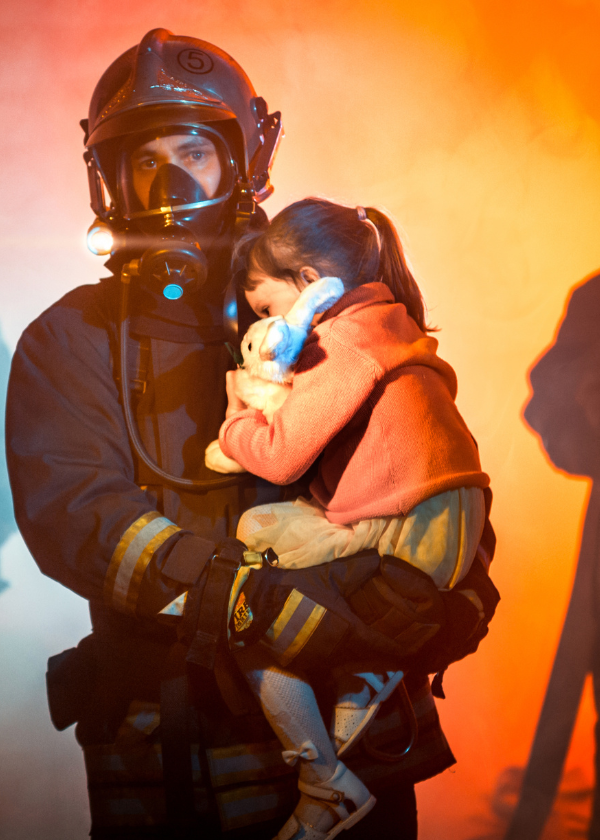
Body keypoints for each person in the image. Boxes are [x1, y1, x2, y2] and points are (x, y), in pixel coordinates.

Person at [5, 28, 490, 840]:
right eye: (144, 157)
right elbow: (77, 516)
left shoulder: (325, 306)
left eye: (193, 149)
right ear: (107, 177)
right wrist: (243, 601)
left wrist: (457, 579)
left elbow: (419, 443)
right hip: (176, 759)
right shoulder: (71, 340)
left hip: (355, 740)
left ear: (246, 157)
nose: (168, 179)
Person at [210, 198, 490, 839]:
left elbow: (280, 459)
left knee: (252, 616)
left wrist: (235, 420)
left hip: (407, 530)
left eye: (266, 310)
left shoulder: (342, 341)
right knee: (325, 617)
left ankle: (324, 781)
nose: (267, 328)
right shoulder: (387, 320)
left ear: (309, 286)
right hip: (446, 521)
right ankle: (360, 693)